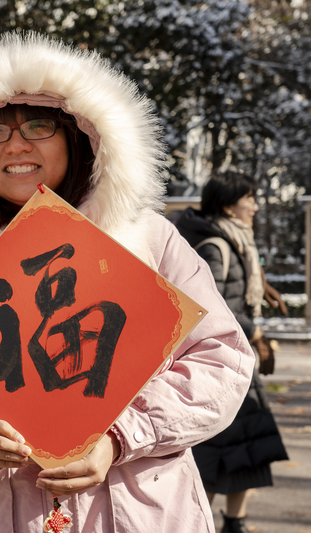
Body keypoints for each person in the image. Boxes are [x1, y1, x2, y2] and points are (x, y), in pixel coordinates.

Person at [0, 32, 254, 532]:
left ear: (76, 136)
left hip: (143, 512)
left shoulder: (148, 240)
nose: (16, 145)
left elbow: (222, 359)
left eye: (38, 125)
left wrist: (120, 438)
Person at [175, 170, 288, 533]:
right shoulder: (214, 245)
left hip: (237, 361)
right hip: (218, 363)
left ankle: (234, 522)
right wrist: (255, 331)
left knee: (248, 450)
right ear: (227, 205)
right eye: (248, 198)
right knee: (215, 454)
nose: (254, 206)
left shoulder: (234, 240)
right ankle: (199, 524)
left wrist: (264, 289)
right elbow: (210, 304)